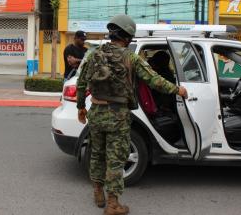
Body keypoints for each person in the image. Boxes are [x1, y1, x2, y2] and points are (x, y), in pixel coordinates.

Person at [76, 14, 188, 215]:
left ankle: (98, 192)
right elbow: (154, 80)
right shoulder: (131, 58)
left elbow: (81, 82)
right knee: (116, 159)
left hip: (96, 112)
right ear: (127, 36)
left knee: (97, 154)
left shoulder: (94, 55)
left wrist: (80, 107)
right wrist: (177, 90)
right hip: (118, 116)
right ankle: (112, 204)